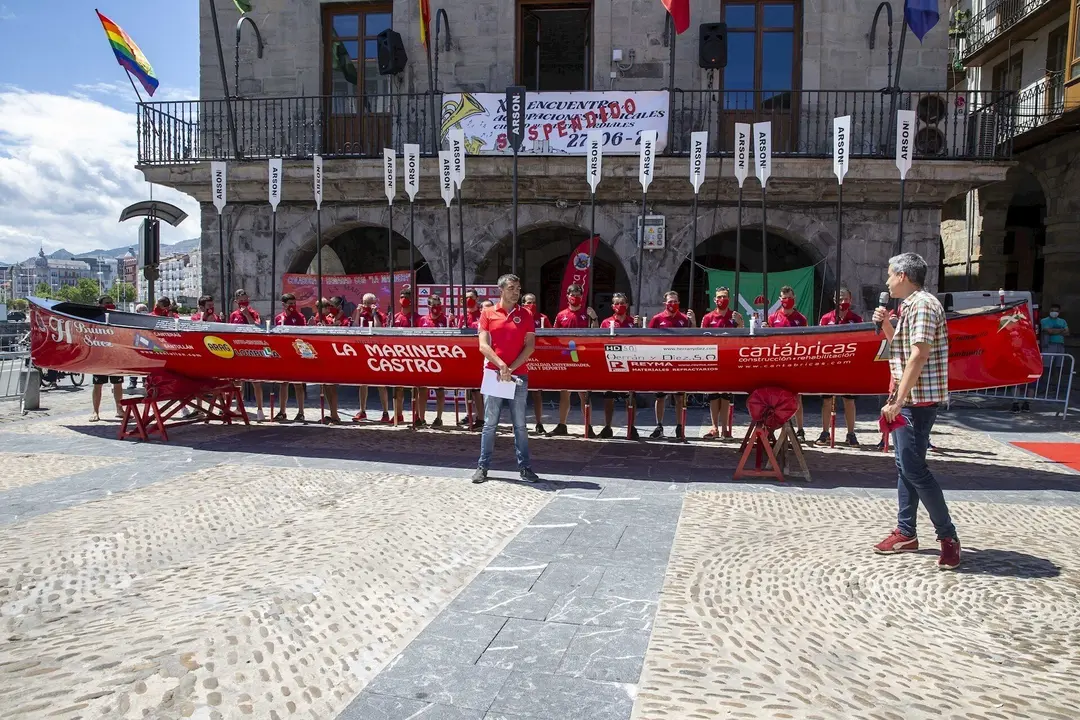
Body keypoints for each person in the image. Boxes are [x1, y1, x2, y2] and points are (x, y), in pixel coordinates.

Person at [872, 252, 960, 570]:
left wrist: (898, 401)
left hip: (915, 403)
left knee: (914, 469)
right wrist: (885, 325)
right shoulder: (910, 306)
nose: (886, 280)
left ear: (904, 276)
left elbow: (918, 355)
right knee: (905, 466)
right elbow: (900, 348)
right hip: (910, 400)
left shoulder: (922, 304)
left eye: (890, 274)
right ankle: (906, 532)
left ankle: (948, 538)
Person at [473, 273, 541, 484]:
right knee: (490, 424)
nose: (516, 292)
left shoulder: (526, 315)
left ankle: (525, 468)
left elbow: (530, 346)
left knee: (520, 425)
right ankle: (482, 467)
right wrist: (502, 366)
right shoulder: (488, 313)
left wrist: (510, 368)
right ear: (500, 290)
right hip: (494, 373)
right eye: (512, 288)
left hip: (518, 375)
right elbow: (483, 345)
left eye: (518, 288)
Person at [548, 283, 597, 438]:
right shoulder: (561, 315)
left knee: (584, 395)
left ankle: (588, 426)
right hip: (565, 357)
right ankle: (562, 424)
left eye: (578, 294)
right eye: (572, 294)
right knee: (564, 393)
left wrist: (594, 318)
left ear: (582, 297)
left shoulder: (587, 314)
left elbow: (596, 333)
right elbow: (554, 336)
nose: (575, 297)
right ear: (567, 296)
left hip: (582, 358)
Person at [818, 286, 862, 446]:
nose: (842, 301)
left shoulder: (856, 319)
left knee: (849, 401)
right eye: (839, 299)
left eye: (845, 298)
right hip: (830, 365)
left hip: (848, 366)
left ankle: (851, 433)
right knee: (827, 401)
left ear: (850, 300)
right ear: (834, 300)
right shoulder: (826, 318)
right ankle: (825, 432)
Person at [700, 286, 744, 439]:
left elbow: (742, 337)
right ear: (714, 299)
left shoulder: (735, 316)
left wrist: (740, 324)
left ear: (729, 299)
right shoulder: (708, 318)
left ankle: (725, 428)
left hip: (729, 360)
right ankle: (714, 427)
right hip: (713, 359)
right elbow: (701, 338)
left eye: (724, 297)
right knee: (713, 395)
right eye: (719, 297)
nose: (722, 300)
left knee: (725, 395)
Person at [648, 290, 691, 441]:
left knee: (679, 397)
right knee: (660, 397)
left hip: (679, 363)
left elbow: (693, 339)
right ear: (665, 303)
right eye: (670, 301)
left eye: (675, 301)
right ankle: (659, 425)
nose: (672, 304)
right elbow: (648, 339)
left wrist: (693, 322)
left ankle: (680, 426)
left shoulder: (685, 319)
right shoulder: (657, 319)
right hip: (662, 363)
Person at [767, 285, 807, 439]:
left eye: (789, 298)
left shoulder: (801, 319)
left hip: (795, 363)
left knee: (797, 398)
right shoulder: (773, 318)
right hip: (777, 363)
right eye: (784, 298)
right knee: (775, 398)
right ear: (779, 299)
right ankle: (771, 430)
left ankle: (800, 430)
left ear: (794, 298)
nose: (786, 301)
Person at [598, 292, 638, 439]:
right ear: (612, 306)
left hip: (629, 364)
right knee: (609, 397)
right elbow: (600, 341)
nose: (619, 306)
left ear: (627, 305)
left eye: (622, 303)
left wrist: (638, 327)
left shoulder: (633, 322)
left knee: (631, 397)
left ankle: (631, 427)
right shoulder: (606, 322)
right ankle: (608, 426)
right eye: (617, 303)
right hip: (611, 364)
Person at [352, 293, 391, 423]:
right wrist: (358, 312)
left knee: (381, 384)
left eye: (370, 303)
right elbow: (354, 328)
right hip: (363, 351)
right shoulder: (360, 314)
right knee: (363, 383)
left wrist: (374, 313)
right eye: (366, 303)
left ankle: (385, 412)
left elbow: (379, 328)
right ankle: (362, 410)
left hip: (377, 352)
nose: (368, 306)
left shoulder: (380, 315)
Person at [228, 289, 266, 422]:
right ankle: (239, 406)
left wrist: (248, 315)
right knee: (238, 382)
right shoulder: (234, 315)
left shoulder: (253, 313)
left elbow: (258, 327)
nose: (243, 301)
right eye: (240, 299)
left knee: (256, 382)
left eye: (245, 298)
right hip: (238, 351)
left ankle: (260, 409)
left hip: (251, 350)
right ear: (236, 301)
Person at [274, 293, 307, 423]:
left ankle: (301, 412)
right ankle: (282, 411)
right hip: (283, 354)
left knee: (298, 384)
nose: (292, 306)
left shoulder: (300, 317)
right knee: (283, 384)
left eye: (294, 303)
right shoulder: (278, 318)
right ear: (284, 305)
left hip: (296, 354)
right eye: (290, 304)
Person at [1030, 303, 1069, 413]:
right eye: (1052, 310)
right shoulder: (1044, 321)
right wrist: (1060, 331)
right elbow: (1048, 331)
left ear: (1059, 312)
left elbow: (1068, 332)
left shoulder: (1063, 321)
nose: (1054, 312)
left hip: (1060, 346)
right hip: (1049, 345)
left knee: (1057, 368)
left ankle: (1054, 388)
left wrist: (1055, 331)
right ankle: (1042, 387)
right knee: (1045, 367)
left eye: (1056, 310)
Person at [90, 295, 124, 422]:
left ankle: (119, 409)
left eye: (111, 302)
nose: (109, 304)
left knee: (118, 383)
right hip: (100, 355)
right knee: (98, 384)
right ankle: (95, 411)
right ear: (100, 304)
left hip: (114, 353)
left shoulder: (116, 316)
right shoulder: (95, 317)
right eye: (106, 303)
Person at [392, 287, 423, 424]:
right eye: (402, 295)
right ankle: (398, 414)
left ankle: (416, 415)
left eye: (407, 296)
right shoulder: (395, 317)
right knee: (398, 387)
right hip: (398, 356)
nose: (404, 298)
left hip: (413, 355)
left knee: (415, 387)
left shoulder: (417, 318)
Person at [316, 296, 349, 424]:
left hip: (336, 354)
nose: (329, 310)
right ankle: (332, 413)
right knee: (326, 386)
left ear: (339, 307)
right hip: (325, 353)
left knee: (332, 387)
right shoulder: (329, 318)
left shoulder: (344, 319)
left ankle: (335, 415)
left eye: (332, 307)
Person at [419, 294, 450, 427]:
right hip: (425, 359)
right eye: (433, 304)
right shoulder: (422, 320)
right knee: (422, 389)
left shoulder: (446, 319)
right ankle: (421, 418)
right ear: (428, 306)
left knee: (439, 391)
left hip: (440, 359)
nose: (436, 307)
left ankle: (439, 418)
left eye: (438, 304)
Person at [522, 293, 550, 434]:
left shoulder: (543, 318)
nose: (531, 304)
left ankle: (539, 422)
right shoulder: (518, 317)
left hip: (538, 360)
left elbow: (551, 338)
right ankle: (519, 422)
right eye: (528, 302)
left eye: (533, 302)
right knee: (519, 395)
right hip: (521, 360)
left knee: (537, 394)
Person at [457, 289, 485, 431]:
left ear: (477, 298)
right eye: (466, 298)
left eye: (471, 297)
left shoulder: (483, 315)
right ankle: (470, 415)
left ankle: (481, 418)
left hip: (481, 355)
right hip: (467, 356)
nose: (469, 300)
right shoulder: (463, 316)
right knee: (470, 390)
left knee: (479, 390)